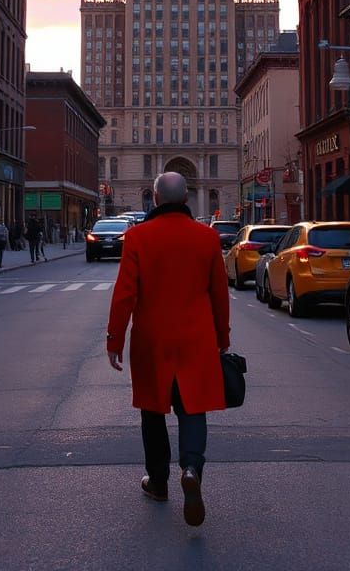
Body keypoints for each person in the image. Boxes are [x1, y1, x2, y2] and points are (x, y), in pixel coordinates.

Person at [106, 172, 229, 528]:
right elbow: (220, 295)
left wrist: (115, 340)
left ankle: (158, 482)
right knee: (193, 407)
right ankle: (191, 468)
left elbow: (124, 293)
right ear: (187, 200)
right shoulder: (207, 238)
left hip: (152, 339)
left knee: (152, 409)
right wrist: (223, 337)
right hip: (196, 338)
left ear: (155, 200)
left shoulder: (137, 237)